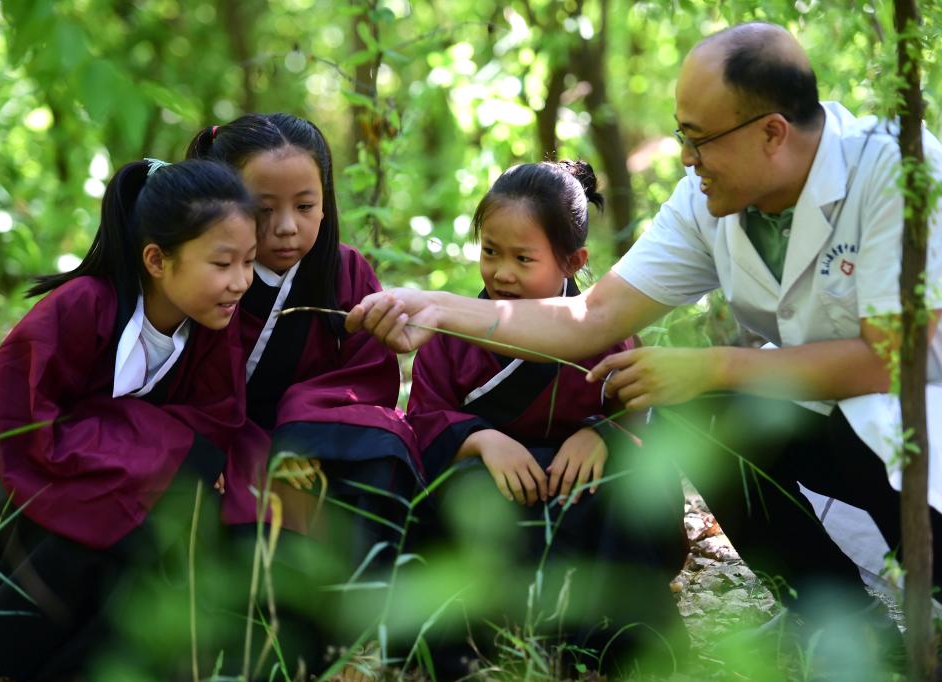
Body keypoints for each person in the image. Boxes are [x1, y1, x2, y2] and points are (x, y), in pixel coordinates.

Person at [348, 21, 942, 661]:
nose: (687, 157)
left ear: (771, 132)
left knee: (727, 396)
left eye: (700, 138)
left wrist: (711, 365)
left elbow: (891, 360)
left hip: (918, 416)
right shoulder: (706, 201)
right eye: (682, 134)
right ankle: (840, 624)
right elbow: (590, 318)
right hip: (814, 411)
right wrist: (433, 307)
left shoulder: (893, 171)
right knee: (699, 415)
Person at [0, 159, 265, 679]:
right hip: (12, 469)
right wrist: (144, 449)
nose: (241, 282)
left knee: (171, 534)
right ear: (156, 259)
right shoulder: (82, 305)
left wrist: (155, 456)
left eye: (249, 262)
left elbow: (209, 423)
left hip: (114, 476)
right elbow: (14, 418)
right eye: (222, 264)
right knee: (77, 535)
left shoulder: (214, 326)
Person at [405, 159, 687, 673]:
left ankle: (623, 642)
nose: (501, 273)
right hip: (498, 493)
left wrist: (603, 435)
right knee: (465, 490)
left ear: (572, 261)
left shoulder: (606, 332)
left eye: (522, 258)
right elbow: (422, 420)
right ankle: (480, 640)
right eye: (490, 251)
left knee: (623, 487)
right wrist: (481, 441)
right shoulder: (452, 339)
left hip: (587, 497)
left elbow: (642, 412)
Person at [185, 114, 421, 548]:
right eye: (264, 208)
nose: (287, 227)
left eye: (305, 206)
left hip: (323, 435)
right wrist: (231, 445)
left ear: (326, 202)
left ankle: (371, 595)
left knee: (387, 448)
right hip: (231, 436)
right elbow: (184, 384)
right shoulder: (202, 277)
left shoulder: (346, 270)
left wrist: (304, 428)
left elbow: (370, 376)